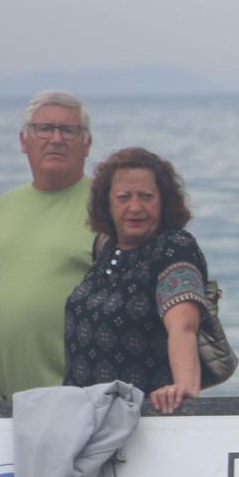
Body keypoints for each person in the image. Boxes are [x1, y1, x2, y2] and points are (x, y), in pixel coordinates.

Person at [62, 148, 210, 413]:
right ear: (107, 203)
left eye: (146, 197)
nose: (135, 207)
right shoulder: (107, 250)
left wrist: (185, 388)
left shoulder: (173, 247)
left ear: (163, 202)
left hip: (141, 418)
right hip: (84, 418)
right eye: (123, 197)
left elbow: (184, 327)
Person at [0, 91, 97, 398]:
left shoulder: (106, 208)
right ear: (23, 141)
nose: (56, 139)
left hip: (76, 400)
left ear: (87, 145)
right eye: (44, 128)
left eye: (69, 130)